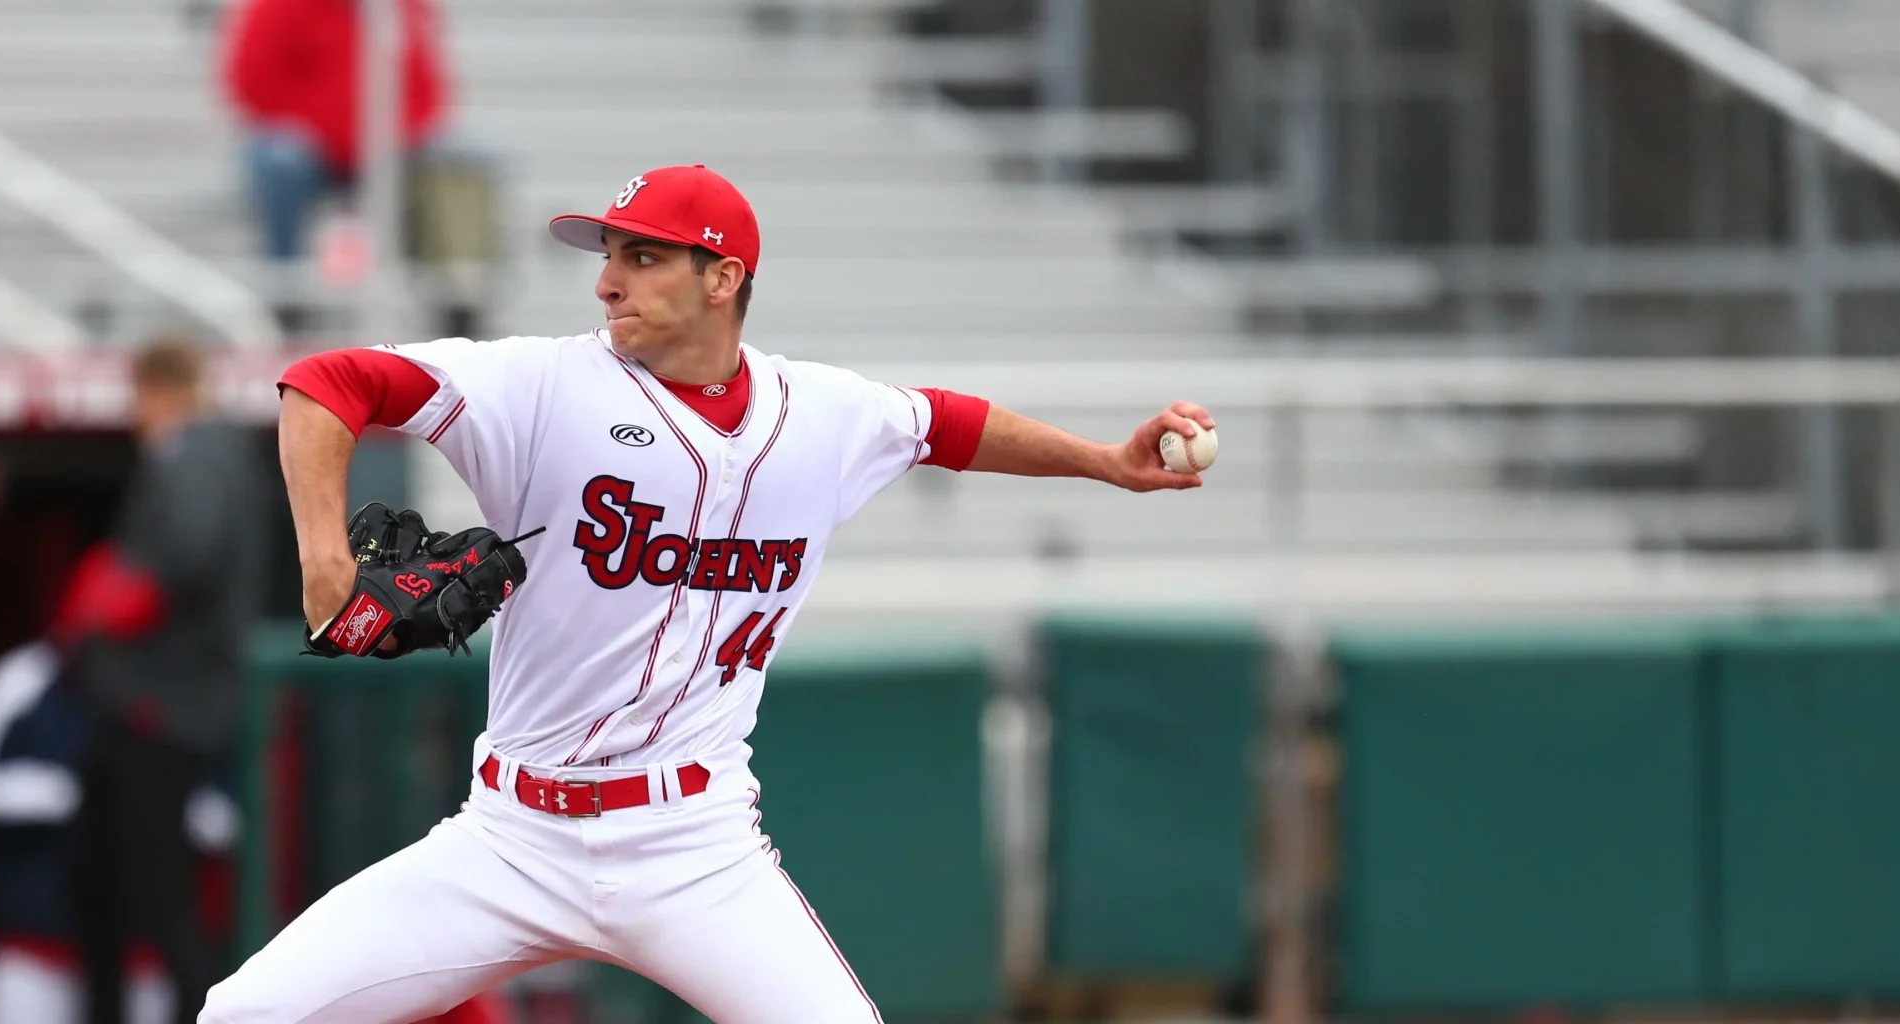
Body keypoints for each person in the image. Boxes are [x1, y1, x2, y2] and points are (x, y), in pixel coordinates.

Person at [203, 164, 1217, 1021]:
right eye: (605, 256)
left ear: (722, 275)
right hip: (512, 837)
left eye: (640, 256)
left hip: (693, 848)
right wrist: (326, 561)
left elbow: (941, 424)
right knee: (241, 1015)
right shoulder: (541, 387)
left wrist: (1103, 462)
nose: (606, 282)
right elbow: (326, 381)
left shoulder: (820, 412)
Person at [0, 548, 245, 1024]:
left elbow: (230, 812)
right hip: (34, 943)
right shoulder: (31, 675)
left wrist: (157, 810)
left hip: (142, 951)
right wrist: (47, 795)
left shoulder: (181, 694)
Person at [62, 340, 264, 1024]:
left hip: (162, 704)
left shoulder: (193, 450)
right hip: (169, 700)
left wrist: (119, 595)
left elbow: (191, 552)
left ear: (154, 388)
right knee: (107, 883)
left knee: (155, 893)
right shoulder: (219, 452)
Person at [218, 0, 450, 266]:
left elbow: (427, 90)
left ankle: (453, 287)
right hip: (310, 151)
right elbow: (253, 83)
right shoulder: (277, 7)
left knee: (458, 158)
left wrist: (386, 137)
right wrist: (336, 132)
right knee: (279, 157)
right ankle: (286, 282)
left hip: (387, 150)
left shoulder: (404, 7)